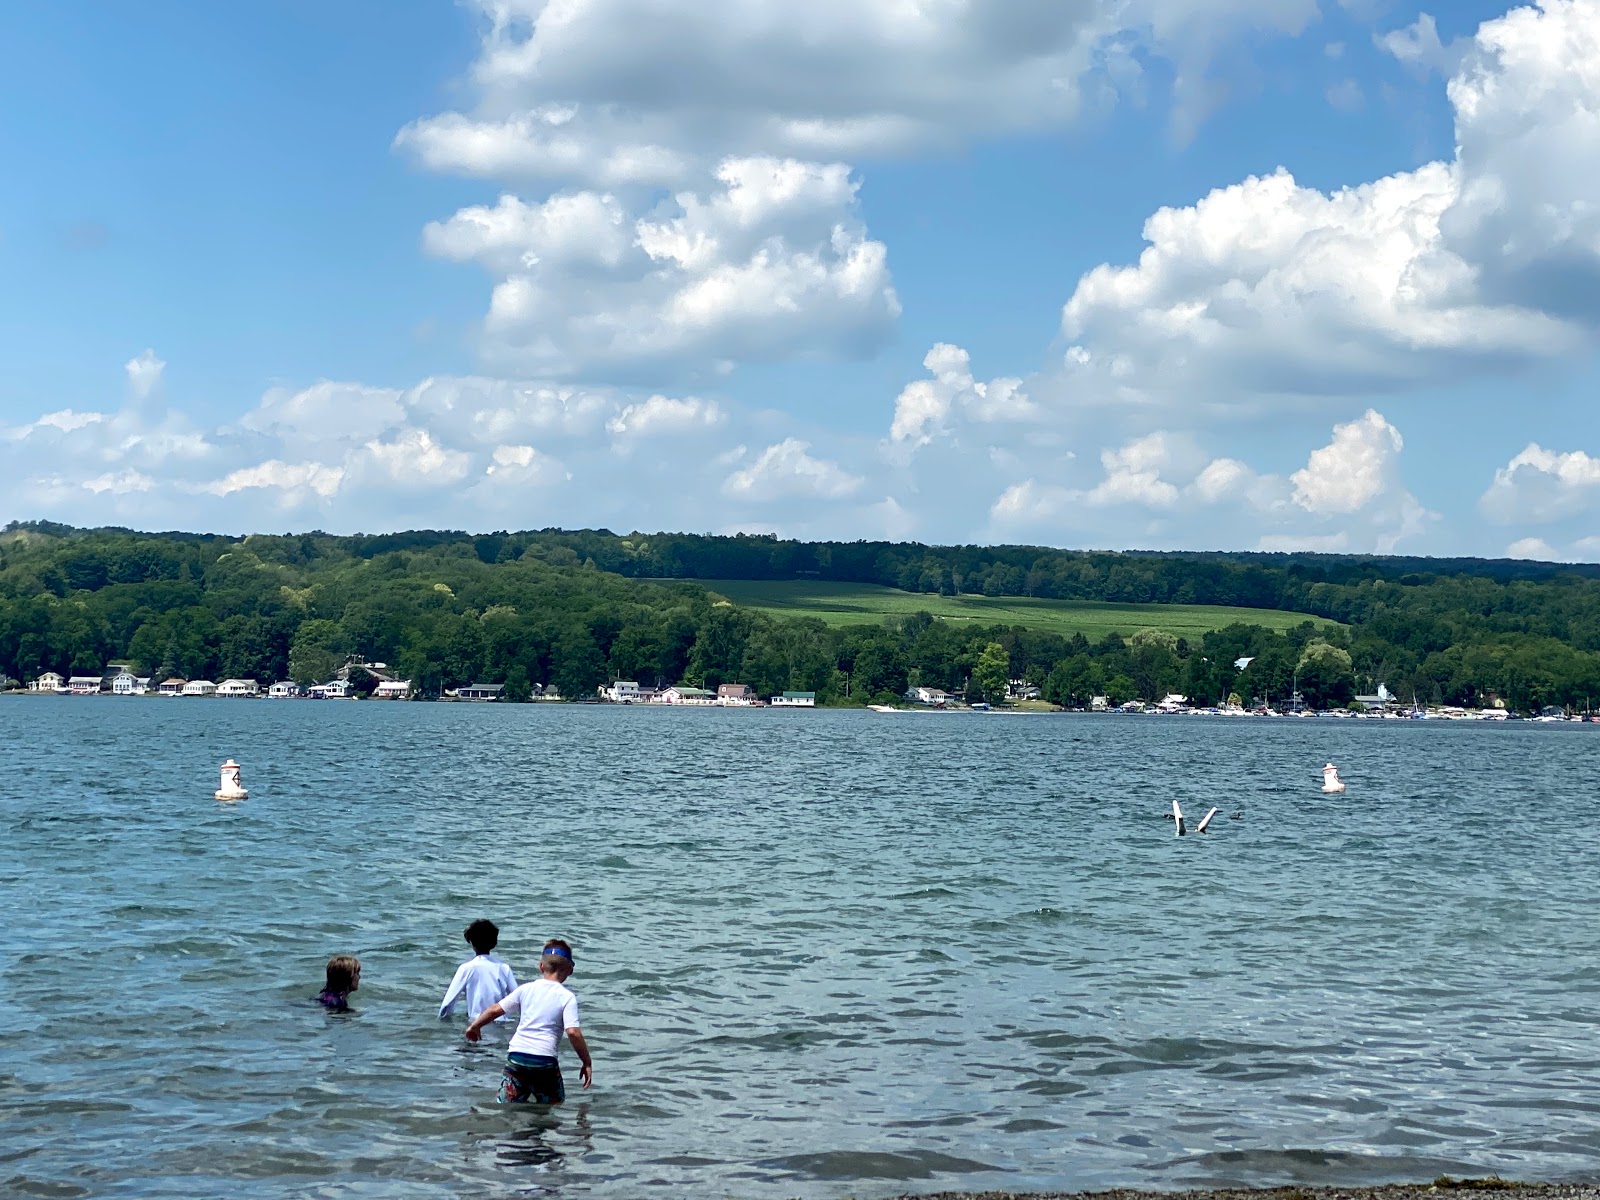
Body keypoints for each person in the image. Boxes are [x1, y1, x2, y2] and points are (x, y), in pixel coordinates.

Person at [465, 940, 592, 1103]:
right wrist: (586, 1061)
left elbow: (495, 1009)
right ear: (570, 969)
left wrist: (475, 1026)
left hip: (517, 1056)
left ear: (540, 966)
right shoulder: (566, 997)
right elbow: (573, 1032)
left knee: (506, 1105)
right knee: (552, 1108)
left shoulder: (525, 989)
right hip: (544, 1061)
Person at [439, 918, 518, 1022]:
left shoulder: (466, 969)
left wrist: (442, 1023)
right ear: (494, 942)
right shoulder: (503, 968)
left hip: (476, 1023)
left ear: (471, 942)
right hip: (500, 1023)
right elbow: (518, 998)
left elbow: (448, 1003)